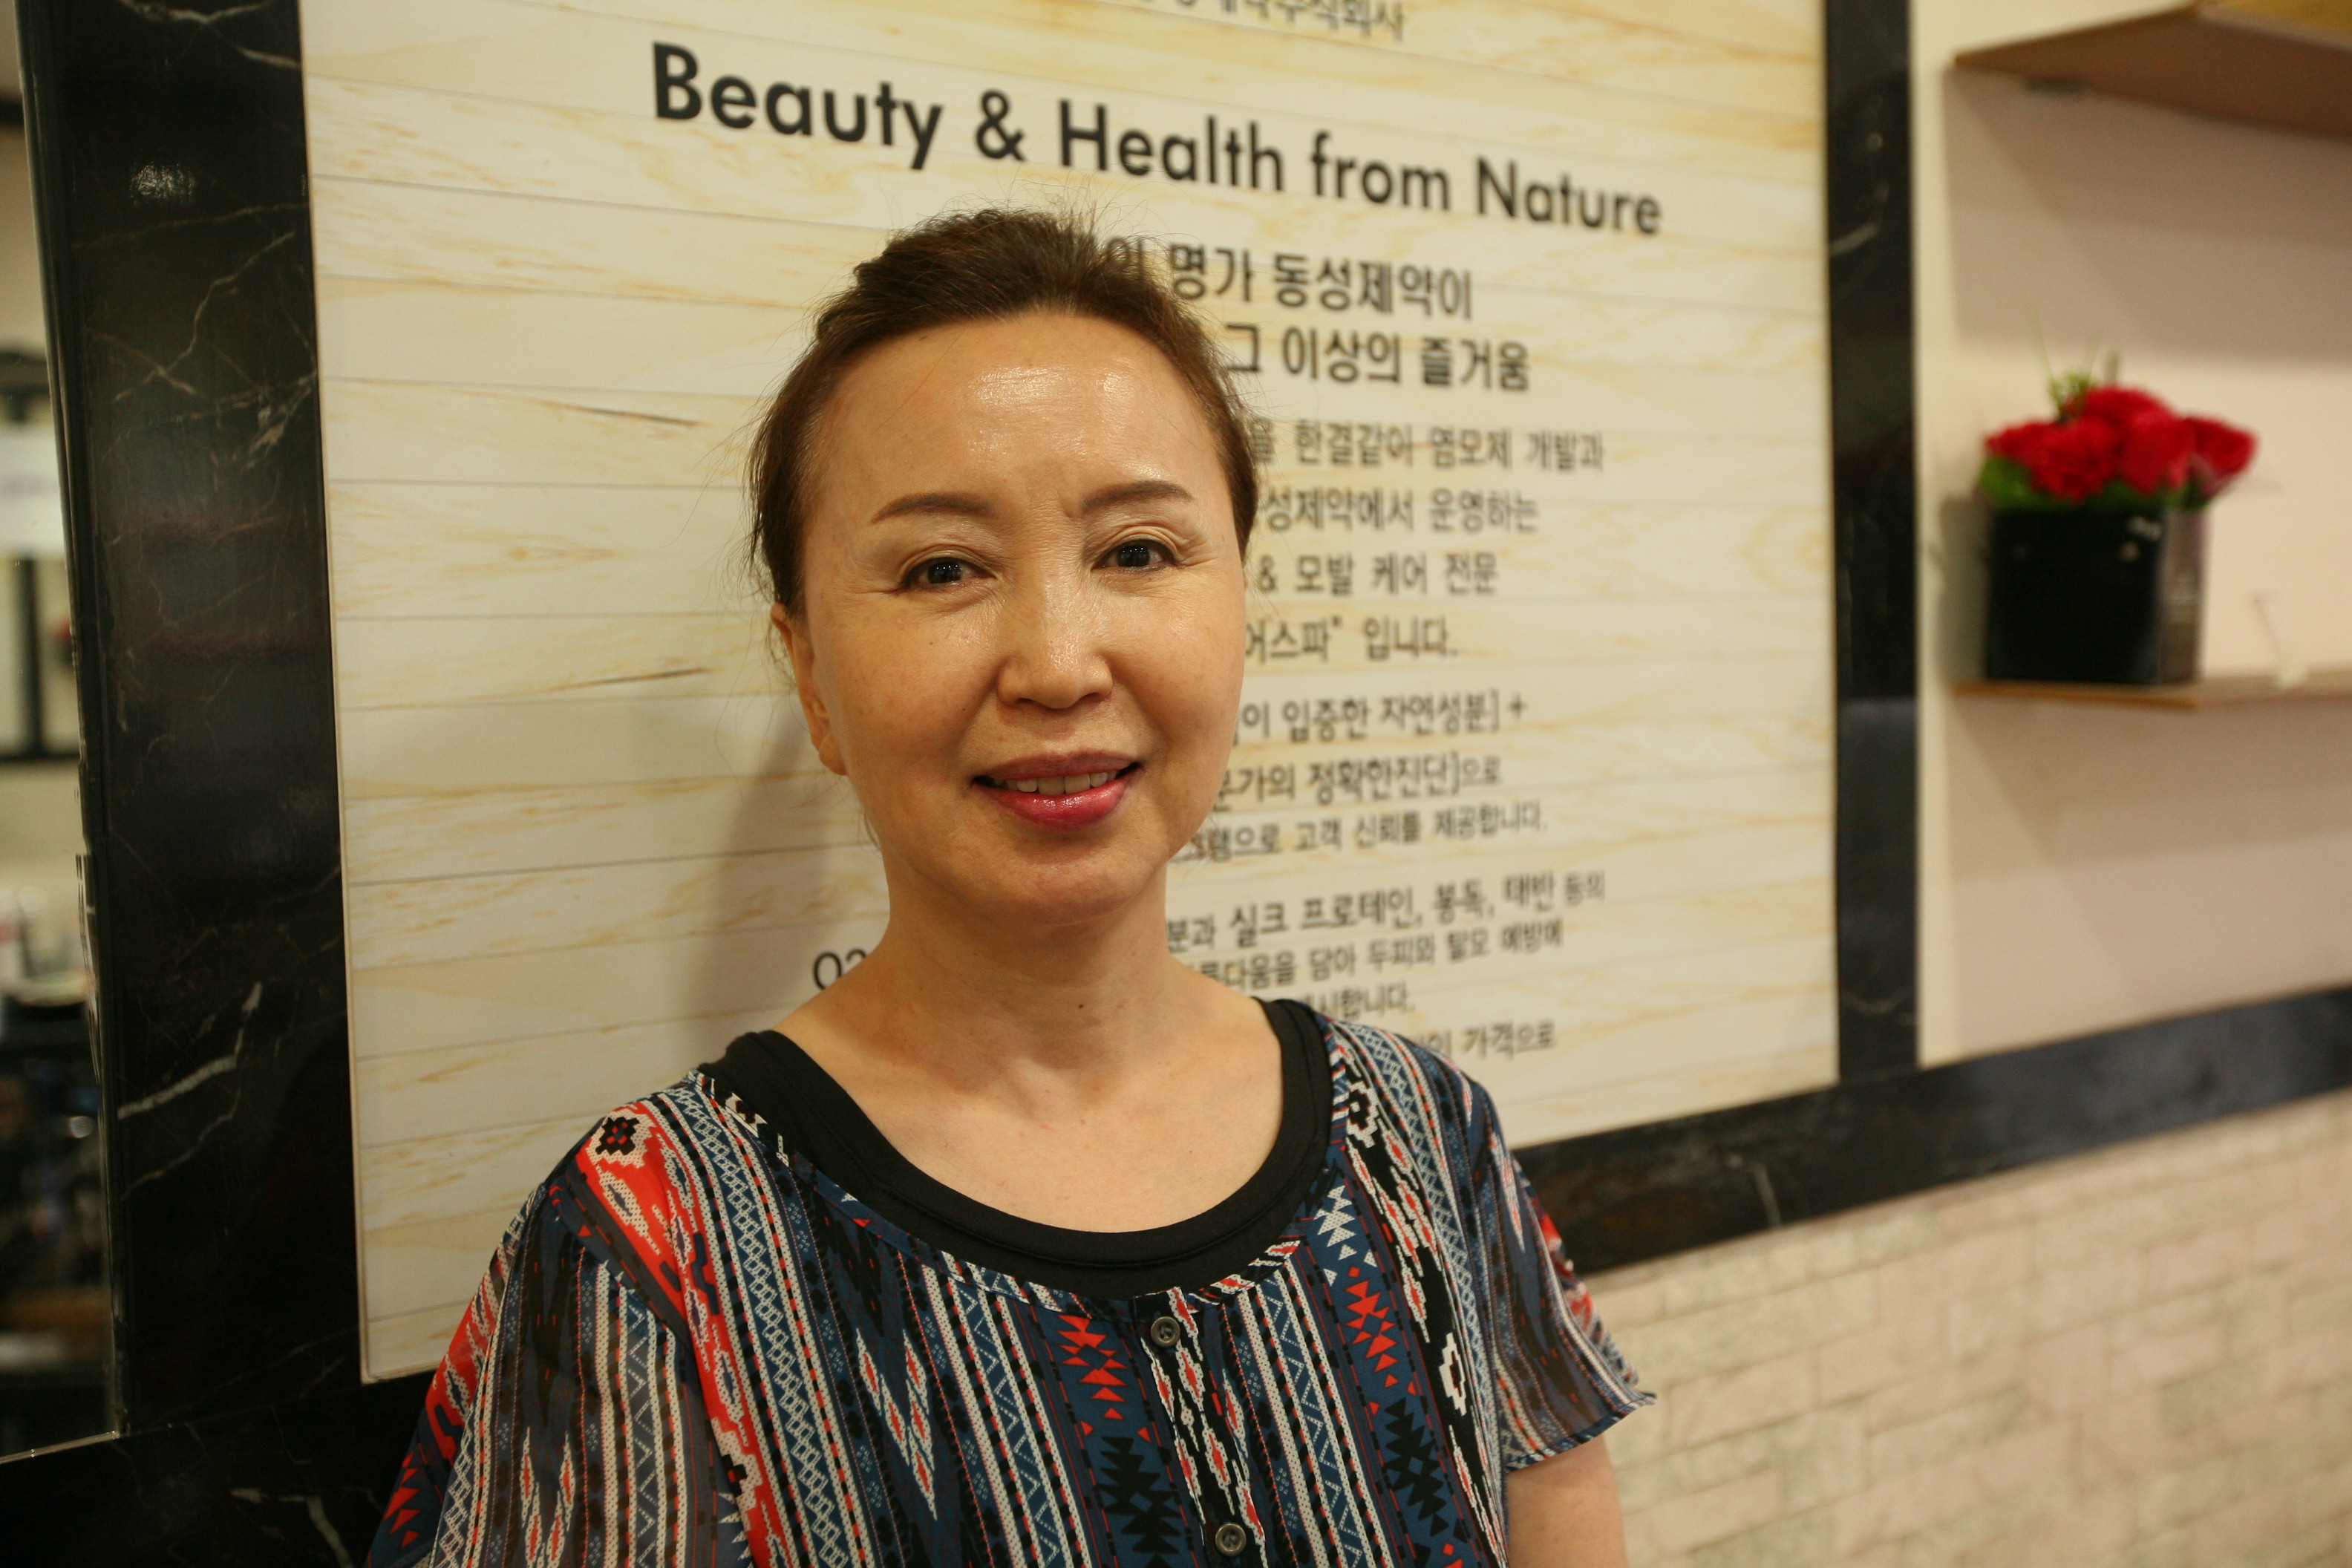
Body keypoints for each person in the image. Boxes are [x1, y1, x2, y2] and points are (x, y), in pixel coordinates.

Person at [370, 206, 1647, 1568]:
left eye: (1137, 552)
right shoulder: (650, 1243)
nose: (1057, 665)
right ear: (812, 678)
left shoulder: (1420, 1132)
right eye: (943, 569)